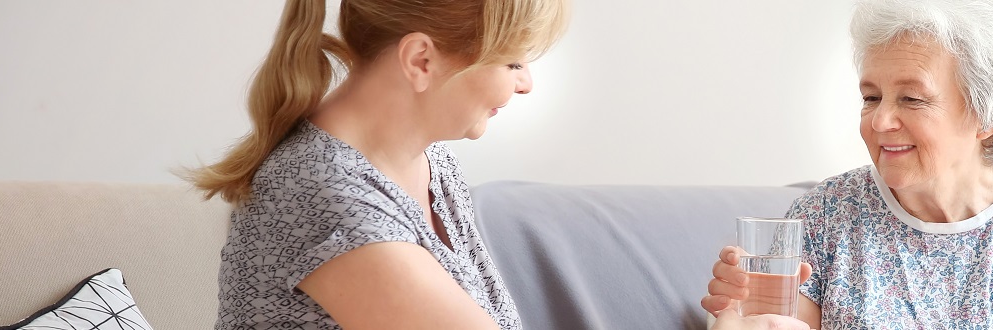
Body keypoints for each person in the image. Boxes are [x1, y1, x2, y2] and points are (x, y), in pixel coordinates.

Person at [191, 1, 804, 329]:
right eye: (513, 62)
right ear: (422, 60)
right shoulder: (323, 198)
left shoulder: (429, 168)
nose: (528, 83)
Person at [701, 0, 993, 328]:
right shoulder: (825, 213)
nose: (879, 122)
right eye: (872, 97)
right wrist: (742, 321)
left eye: (912, 99)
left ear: (989, 117)